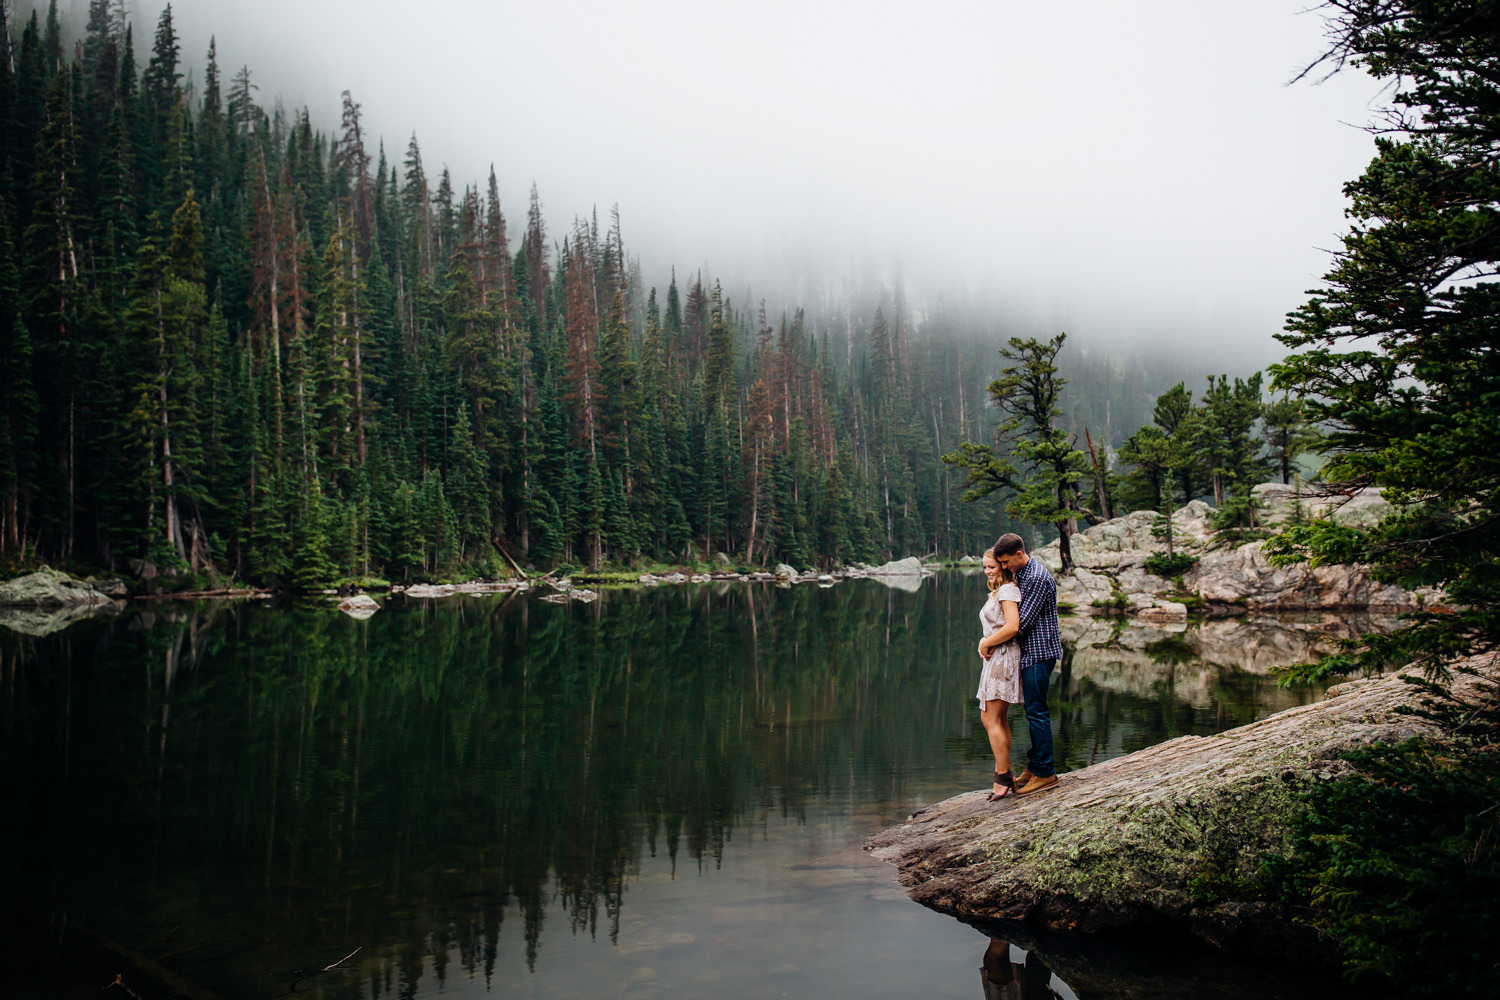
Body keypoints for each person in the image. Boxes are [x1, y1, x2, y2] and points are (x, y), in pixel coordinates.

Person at [991, 533, 1062, 795]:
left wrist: (992, 642)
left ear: (1019, 554)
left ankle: (1046, 772)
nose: (1005, 567)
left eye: (1007, 561)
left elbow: (1021, 624)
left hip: (1039, 654)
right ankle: (1035, 765)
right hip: (1029, 655)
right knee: (1033, 711)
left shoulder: (1036, 578)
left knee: (1037, 712)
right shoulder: (1023, 574)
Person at [976, 548, 1023, 799]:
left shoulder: (1007, 590)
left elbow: (1012, 626)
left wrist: (986, 643)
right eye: (984, 567)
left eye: (991, 567)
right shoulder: (1000, 591)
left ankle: (1002, 777)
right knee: (998, 719)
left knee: (990, 719)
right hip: (997, 658)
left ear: (1003, 566)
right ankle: (1005, 774)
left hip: (1003, 658)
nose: (987, 571)